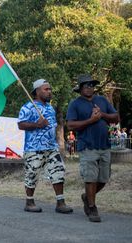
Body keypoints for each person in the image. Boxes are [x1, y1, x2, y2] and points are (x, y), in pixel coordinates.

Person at [66, 74, 119, 222]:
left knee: (103, 178)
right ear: (81, 88)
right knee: (90, 178)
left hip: (105, 145)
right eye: (86, 85)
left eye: (91, 85)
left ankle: (86, 196)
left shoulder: (102, 100)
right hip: (87, 146)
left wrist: (102, 114)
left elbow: (116, 117)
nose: (90, 87)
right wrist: (91, 120)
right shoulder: (75, 104)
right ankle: (92, 206)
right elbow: (70, 125)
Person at [18, 79, 73, 214]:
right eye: (46, 89)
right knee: (32, 174)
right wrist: (37, 124)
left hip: (51, 147)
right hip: (34, 148)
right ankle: (29, 202)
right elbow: (21, 124)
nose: (50, 92)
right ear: (37, 92)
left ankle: (60, 202)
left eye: (50, 89)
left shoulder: (50, 108)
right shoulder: (28, 107)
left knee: (58, 172)